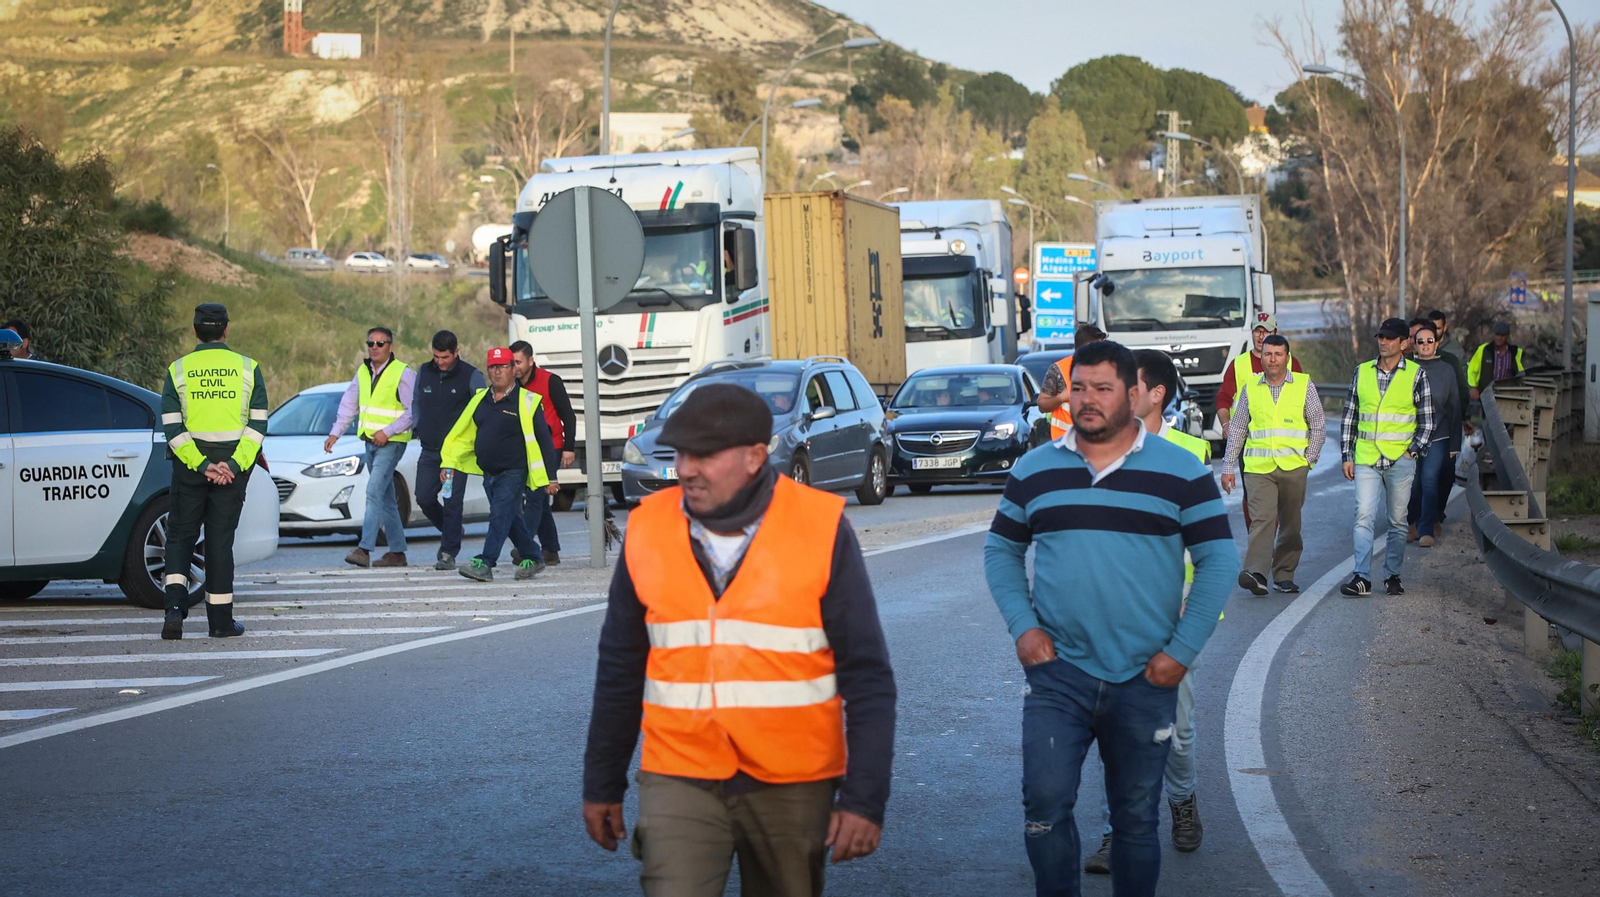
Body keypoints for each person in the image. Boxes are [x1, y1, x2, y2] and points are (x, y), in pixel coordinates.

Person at [582, 383, 897, 896]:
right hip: (680, 772)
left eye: (704, 455)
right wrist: (601, 783)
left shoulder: (820, 527)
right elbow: (619, 667)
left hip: (792, 780)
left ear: (756, 456)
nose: (685, 468)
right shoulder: (648, 529)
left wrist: (864, 799)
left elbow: (868, 678)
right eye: (681, 452)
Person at [985, 340, 1236, 897]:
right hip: (1059, 678)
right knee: (1044, 807)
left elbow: (1219, 560)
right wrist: (1023, 628)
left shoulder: (1181, 469)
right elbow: (1000, 550)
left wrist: (1180, 653)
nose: (1087, 399)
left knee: (1135, 821)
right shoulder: (1035, 470)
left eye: (1102, 388)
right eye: (1079, 388)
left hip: (1145, 677)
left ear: (1132, 393)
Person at [1079, 349, 1215, 874]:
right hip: (1109, 618)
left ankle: (1181, 798)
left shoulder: (1187, 453)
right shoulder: (1096, 452)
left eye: (1124, 383)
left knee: (1175, 733)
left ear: (1153, 394)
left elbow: (1206, 545)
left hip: (1172, 619)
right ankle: (1122, 831)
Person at [158, 303, 268, 639]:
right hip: (232, 471)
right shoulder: (248, 368)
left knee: (179, 539)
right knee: (220, 543)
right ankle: (220, 622)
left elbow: (172, 429)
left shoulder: (178, 369)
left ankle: (174, 611)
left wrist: (203, 465)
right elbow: (258, 426)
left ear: (195, 331)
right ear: (226, 330)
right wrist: (231, 466)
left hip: (191, 469)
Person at [441, 347, 559, 582]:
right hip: (489, 473)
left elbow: (544, 440)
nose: (497, 372)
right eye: (493, 367)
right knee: (509, 517)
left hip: (514, 471)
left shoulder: (527, 401)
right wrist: (449, 463)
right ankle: (534, 556)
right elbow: (462, 436)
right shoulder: (479, 400)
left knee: (498, 515)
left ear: (513, 369)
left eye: (503, 366)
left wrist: (551, 476)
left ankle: (486, 562)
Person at [1221, 334, 1325, 595]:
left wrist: (1308, 458)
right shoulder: (1251, 388)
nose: (1273, 359)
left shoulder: (1303, 385)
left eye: (1278, 354)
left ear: (1287, 358)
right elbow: (1237, 430)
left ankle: (1284, 574)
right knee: (1262, 520)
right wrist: (1227, 467)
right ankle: (1256, 572)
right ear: (1262, 357)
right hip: (1258, 468)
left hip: (1294, 467)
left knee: (1290, 523)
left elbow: (1318, 424)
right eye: (1268, 354)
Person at [1339, 318, 1435, 597]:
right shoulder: (1362, 372)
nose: (1384, 342)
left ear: (1404, 343)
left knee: (1397, 521)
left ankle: (1392, 575)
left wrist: (1412, 452)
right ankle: (1361, 577)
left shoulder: (1416, 375)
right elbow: (1350, 415)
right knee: (1363, 516)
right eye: (1381, 337)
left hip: (1400, 459)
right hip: (1366, 457)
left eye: (1391, 338)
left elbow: (1427, 420)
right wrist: (1347, 454)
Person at [326, 326, 414, 568]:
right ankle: (397, 552)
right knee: (386, 498)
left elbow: (412, 411)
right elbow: (348, 405)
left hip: (392, 442)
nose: (374, 348)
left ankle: (364, 549)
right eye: (371, 344)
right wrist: (335, 433)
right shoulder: (363, 372)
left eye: (380, 343)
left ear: (390, 346)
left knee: (373, 491)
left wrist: (388, 432)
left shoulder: (403, 373)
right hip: (369, 442)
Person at [413, 330, 485, 571]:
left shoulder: (471, 376)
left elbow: (481, 411)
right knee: (423, 497)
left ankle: (448, 552)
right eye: (436, 356)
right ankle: (452, 529)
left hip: (455, 455)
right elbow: (415, 402)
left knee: (452, 501)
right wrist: (417, 426)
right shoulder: (424, 371)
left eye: (445, 357)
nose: (440, 362)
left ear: (456, 352)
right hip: (429, 450)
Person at [511, 340, 576, 565]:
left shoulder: (550, 381)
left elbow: (568, 415)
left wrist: (569, 448)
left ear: (530, 361)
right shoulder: (512, 385)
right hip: (527, 449)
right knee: (539, 500)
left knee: (536, 495)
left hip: (552, 447)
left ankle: (525, 546)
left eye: (518, 362)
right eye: (512, 362)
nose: (515, 367)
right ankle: (550, 550)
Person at [1405, 322, 1462, 548]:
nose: (1426, 345)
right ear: (1415, 345)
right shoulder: (1407, 369)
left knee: (1429, 482)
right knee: (1413, 483)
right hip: (1411, 436)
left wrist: (1454, 443)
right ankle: (1411, 523)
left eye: (1430, 341)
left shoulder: (1447, 370)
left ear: (1436, 343)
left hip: (1439, 436)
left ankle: (1426, 529)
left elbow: (1454, 406)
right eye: (1421, 342)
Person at [1214, 313, 1305, 433]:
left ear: (1275, 333)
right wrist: (1226, 424)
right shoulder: (1238, 364)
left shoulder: (1292, 363)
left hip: (1284, 436)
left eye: (1266, 331)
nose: (1261, 337)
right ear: (1252, 332)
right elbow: (1223, 398)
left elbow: (1303, 400)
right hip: (1245, 438)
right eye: (1257, 331)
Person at [1421, 311, 1471, 518]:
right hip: (1421, 428)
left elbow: (1462, 391)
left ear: (1444, 329)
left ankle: (1437, 511)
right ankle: (1423, 517)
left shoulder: (1453, 356)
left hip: (1447, 425)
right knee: (1424, 478)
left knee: (1446, 472)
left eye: (1438, 328)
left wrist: (1464, 417)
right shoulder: (1412, 361)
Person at [1038, 324, 1107, 440]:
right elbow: (1042, 405)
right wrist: (1061, 398)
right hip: (1064, 444)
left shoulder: (1108, 369)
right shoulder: (1059, 370)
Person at [1466, 321, 1526, 402]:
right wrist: (1473, 387)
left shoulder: (1515, 352)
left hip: (1508, 395)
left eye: (1502, 335)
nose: (1499, 338)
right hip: (1487, 394)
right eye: (1497, 335)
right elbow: (1472, 369)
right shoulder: (1484, 350)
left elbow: (1520, 372)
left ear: (1507, 336)